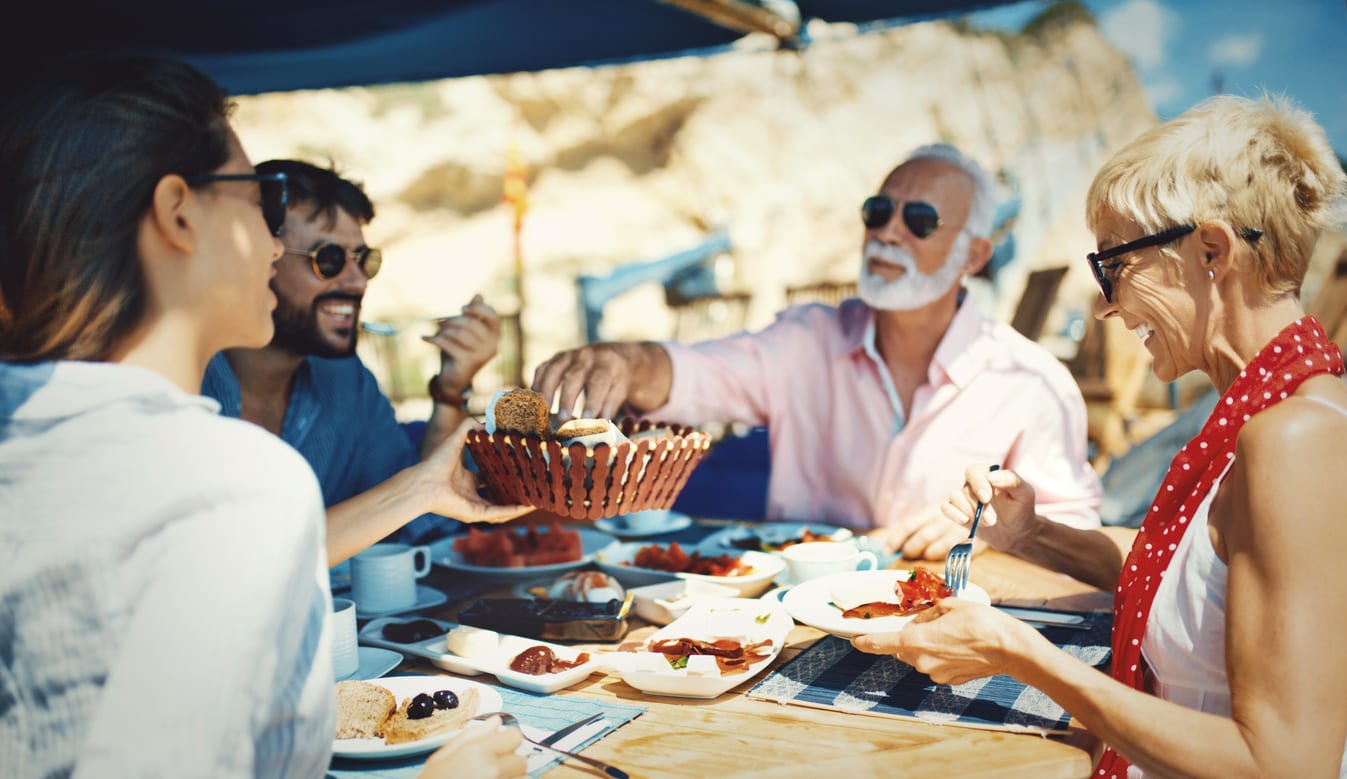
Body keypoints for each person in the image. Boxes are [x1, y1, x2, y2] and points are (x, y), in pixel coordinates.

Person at [0, 54, 526, 778]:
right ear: (177, 212)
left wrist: (424, 481)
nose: (273, 240)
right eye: (259, 200)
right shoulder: (231, 482)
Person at [854, 95, 1347, 778]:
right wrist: (1030, 534)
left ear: (1210, 251)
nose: (1105, 303)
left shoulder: (1294, 438)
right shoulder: (1267, 405)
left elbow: (1283, 764)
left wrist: (1018, 653)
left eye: (1112, 263)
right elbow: (1186, 584)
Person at [532, 143, 1103, 560]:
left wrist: (997, 539)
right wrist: (626, 362)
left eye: (920, 220)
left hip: (949, 635)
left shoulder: (1031, 383)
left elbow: (1082, 548)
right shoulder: (805, 342)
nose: (888, 232)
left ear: (974, 256)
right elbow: (693, 373)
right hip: (792, 628)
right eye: (878, 212)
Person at [202, 159, 508, 564]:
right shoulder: (187, 384)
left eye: (363, 260)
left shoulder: (347, 380)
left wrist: (450, 391)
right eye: (327, 259)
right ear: (257, 257)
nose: (357, 281)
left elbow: (411, 522)